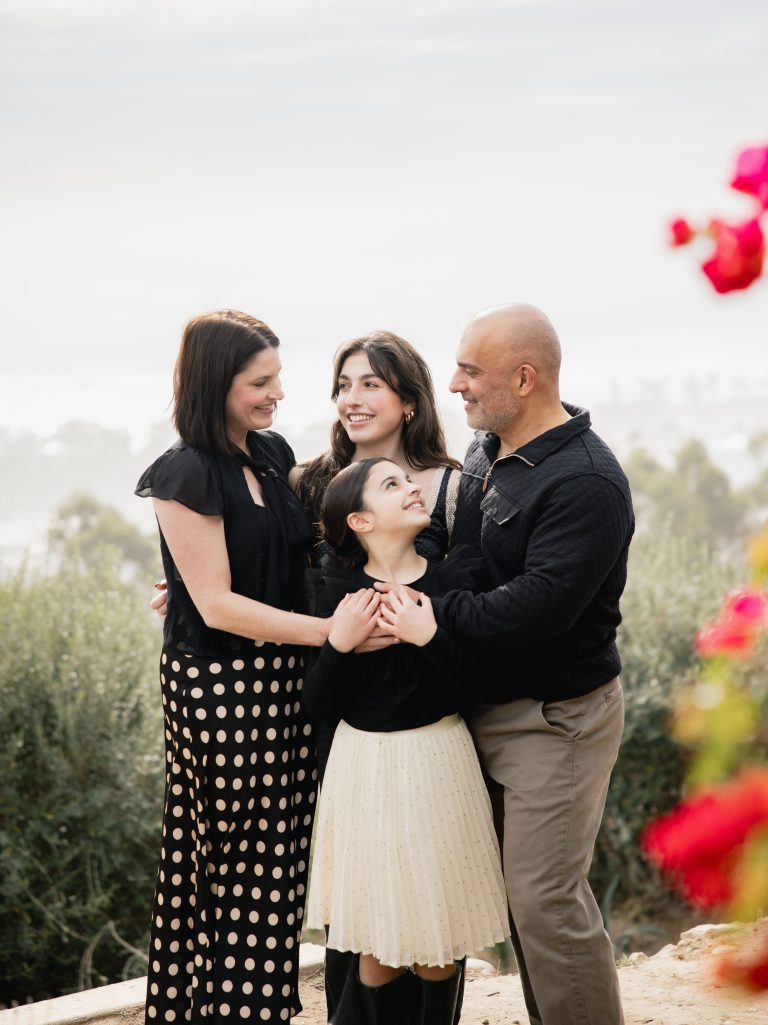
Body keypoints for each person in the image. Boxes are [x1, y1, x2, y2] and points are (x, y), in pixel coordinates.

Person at [376, 304, 634, 1025]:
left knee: (544, 899)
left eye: (470, 370)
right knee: (519, 904)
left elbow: (535, 609)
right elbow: (460, 558)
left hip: (557, 721)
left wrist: (433, 621)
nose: (453, 382)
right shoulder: (491, 451)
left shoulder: (587, 481)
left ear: (524, 379)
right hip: (487, 706)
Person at [135, 310, 335, 1024]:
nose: (276, 392)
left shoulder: (272, 452)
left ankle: (259, 1010)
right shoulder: (183, 471)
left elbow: (291, 546)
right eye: (260, 381)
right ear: (218, 383)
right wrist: (329, 632)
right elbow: (217, 606)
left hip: (283, 681)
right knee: (223, 863)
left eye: (277, 377)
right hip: (218, 686)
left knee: (279, 860)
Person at [303, 458, 509, 1025]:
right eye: (391, 485)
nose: (412, 489)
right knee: (378, 945)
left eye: (407, 480)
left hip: (440, 760)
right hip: (363, 768)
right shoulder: (335, 590)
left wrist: (431, 636)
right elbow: (318, 705)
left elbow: (479, 686)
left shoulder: (453, 578)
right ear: (361, 521)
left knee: (440, 947)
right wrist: (337, 645)